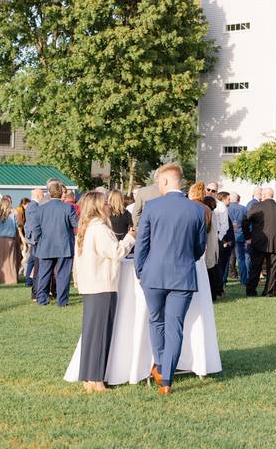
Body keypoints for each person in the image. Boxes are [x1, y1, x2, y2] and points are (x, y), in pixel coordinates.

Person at [135, 163, 206, 395]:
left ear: (165, 181)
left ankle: (162, 366)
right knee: (175, 326)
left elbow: (141, 245)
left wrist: (141, 271)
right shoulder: (197, 210)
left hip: (153, 275)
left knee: (156, 321)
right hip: (183, 275)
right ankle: (166, 380)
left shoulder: (152, 207)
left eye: (158, 183)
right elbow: (199, 248)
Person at [74, 190, 136, 393]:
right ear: (99, 207)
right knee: (100, 332)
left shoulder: (87, 228)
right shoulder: (99, 229)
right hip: (102, 285)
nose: (110, 206)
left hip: (91, 284)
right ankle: (97, 379)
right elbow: (116, 251)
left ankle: (88, 378)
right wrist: (130, 238)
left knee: (91, 332)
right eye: (106, 203)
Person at [33, 180, 78, 306]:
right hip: (64, 245)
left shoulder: (41, 209)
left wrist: (37, 241)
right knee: (63, 274)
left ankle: (42, 299)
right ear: (61, 193)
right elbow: (76, 225)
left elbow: (36, 229)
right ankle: (62, 300)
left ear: (49, 193)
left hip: (45, 244)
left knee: (44, 273)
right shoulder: (68, 207)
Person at [245, 188, 276, 297]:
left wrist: (248, 237)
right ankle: (268, 291)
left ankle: (251, 290)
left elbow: (244, 221)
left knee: (255, 267)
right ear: (272, 195)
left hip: (258, 242)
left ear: (264, 195)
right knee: (272, 269)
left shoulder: (256, 207)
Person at [227, 192, 249, 286]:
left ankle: (223, 281)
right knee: (241, 259)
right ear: (238, 199)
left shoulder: (226, 208)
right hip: (240, 236)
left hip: (228, 236)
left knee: (226, 259)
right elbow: (247, 224)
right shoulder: (244, 209)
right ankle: (244, 280)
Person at [214, 191, 234, 294]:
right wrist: (223, 241)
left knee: (221, 266)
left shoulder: (221, 208)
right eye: (228, 199)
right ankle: (219, 288)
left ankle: (219, 287)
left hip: (222, 241)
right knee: (221, 266)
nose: (230, 201)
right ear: (223, 199)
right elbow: (223, 227)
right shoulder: (222, 208)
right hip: (223, 242)